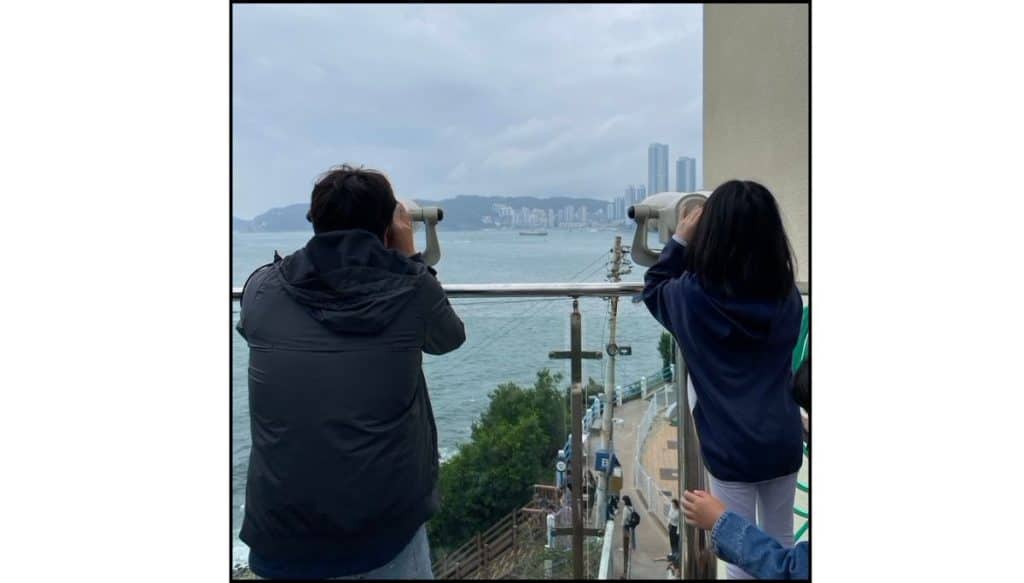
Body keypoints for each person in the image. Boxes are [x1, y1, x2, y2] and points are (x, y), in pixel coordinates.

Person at [236, 164, 466, 579]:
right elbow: (448, 338)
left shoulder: (262, 291)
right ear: (388, 228)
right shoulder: (412, 290)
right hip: (381, 538)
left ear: (314, 220)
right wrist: (409, 256)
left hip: (280, 537)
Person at [643, 180, 804, 579]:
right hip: (783, 437)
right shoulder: (788, 297)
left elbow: (655, 287)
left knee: (738, 550)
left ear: (712, 234)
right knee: (781, 541)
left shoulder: (693, 298)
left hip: (731, 446)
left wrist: (680, 239)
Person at [682, 490, 808, 580]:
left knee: (738, 569)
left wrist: (723, 524)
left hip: (727, 467)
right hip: (784, 466)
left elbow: (789, 569)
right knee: (782, 536)